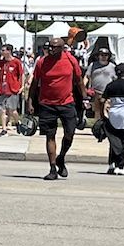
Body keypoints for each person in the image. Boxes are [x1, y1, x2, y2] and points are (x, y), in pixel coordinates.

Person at [29, 35, 84, 181]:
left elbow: (79, 80)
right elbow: (35, 83)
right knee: (50, 136)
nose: (51, 50)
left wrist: (84, 97)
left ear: (61, 48)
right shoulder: (42, 62)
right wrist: (30, 101)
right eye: (50, 47)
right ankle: (53, 168)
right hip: (47, 104)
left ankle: (61, 157)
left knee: (69, 134)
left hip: (67, 103)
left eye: (54, 47)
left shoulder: (70, 60)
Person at [0, 44, 24, 137]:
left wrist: (22, 86)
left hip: (13, 88)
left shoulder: (16, 62)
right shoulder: (0, 62)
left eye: (3, 50)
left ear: (9, 51)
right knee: (2, 109)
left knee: (12, 110)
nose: (1, 52)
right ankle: (4, 129)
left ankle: (17, 122)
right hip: (2, 89)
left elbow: (21, 74)